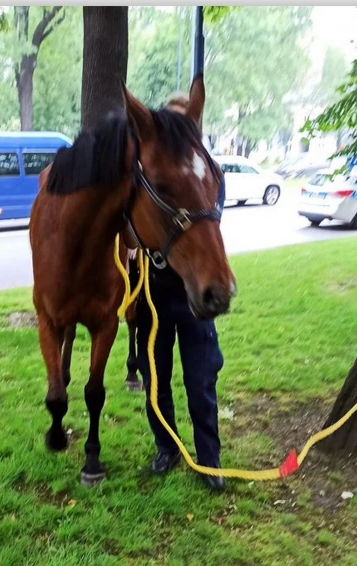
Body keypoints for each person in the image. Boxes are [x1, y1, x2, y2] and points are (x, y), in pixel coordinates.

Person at [135, 93, 227, 492]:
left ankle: (209, 459)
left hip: (190, 296)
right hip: (151, 294)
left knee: (200, 379)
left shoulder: (207, 177)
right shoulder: (146, 179)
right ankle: (167, 448)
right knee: (155, 379)